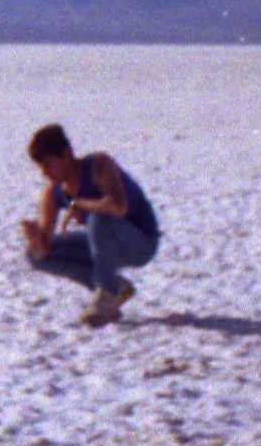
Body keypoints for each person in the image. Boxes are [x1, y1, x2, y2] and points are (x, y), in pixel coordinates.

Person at [19, 123, 161, 327]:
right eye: (40, 166)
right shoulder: (53, 193)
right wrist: (35, 240)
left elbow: (118, 206)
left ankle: (106, 295)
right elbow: (43, 250)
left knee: (99, 218)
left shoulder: (98, 166)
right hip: (104, 243)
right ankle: (116, 287)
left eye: (49, 164)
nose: (44, 172)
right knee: (33, 256)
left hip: (140, 243)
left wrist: (81, 204)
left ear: (66, 154)